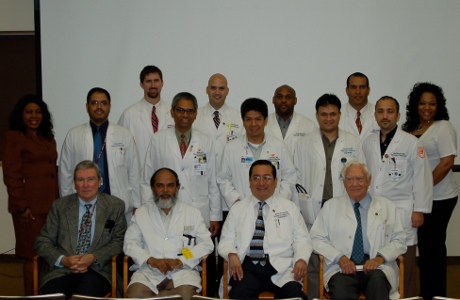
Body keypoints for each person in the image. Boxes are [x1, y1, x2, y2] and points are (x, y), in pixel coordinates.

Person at [293, 94, 364, 299]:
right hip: (313, 207)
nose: (329, 118)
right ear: (316, 115)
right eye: (324, 114)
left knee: (341, 258)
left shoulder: (352, 141)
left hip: (343, 206)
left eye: (333, 114)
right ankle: (315, 296)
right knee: (314, 259)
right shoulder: (304, 142)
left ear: (340, 115)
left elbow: (361, 174)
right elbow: (296, 175)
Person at [362, 96, 433, 297]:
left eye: (390, 111)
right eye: (381, 111)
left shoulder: (411, 143)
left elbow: (423, 178)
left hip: (403, 212)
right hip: (374, 210)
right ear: (375, 114)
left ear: (398, 115)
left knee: (405, 261)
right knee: (378, 260)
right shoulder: (368, 142)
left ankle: (408, 296)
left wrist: (419, 210)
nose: (385, 116)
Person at [310, 161, 406, 300]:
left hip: (376, 266)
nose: (354, 184)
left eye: (360, 179)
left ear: (369, 180)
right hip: (342, 267)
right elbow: (316, 238)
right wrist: (340, 258)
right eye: (349, 179)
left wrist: (380, 258)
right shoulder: (331, 206)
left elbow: (399, 239)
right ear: (344, 182)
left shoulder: (387, 206)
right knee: (342, 293)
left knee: (378, 285)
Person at [218, 160, 311, 300]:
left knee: (294, 295)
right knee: (239, 294)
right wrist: (231, 254)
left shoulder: (290, 207)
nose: (261, 183)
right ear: (249, 182)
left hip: (282, 267)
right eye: (256, 178)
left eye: (267, 178)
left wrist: (301, 259)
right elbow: (226, 240)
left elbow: (302, 239)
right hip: (247, 268)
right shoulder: (237, 209)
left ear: (275, 181)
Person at [35, 160, 127, 299]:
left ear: (100, 181)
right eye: (80, 180)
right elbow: (42, 241)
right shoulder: (60, 206)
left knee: (84, 295)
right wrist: (63, 260)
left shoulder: (115, 206)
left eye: (90, 179)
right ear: (74, 184)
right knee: (51, 295)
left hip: (97, 270)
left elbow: (119, 241)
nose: (85, 185)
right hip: (62, 270)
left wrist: (94, 257)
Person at [402, 82, 458, 300]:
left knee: (433, 250)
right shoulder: (410, 127)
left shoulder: (443, 127)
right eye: (422, 103)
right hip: (418, 199)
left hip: (440, 198)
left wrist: (422, 189)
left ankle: (436, 295)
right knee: (424, 250)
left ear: (439, 106)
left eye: (432, 104)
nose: (427, 107)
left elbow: (446, 163)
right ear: (415, 105)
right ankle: (426, 293)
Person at [124, 168, 214, 300]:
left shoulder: (192, 213)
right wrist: (151, 260)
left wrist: (182, 260)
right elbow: (130, 244)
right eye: (160, 185)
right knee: (135, 294)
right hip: (149, 271)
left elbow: (206, 244)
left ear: (178, 188)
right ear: (152, 188)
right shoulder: (141, 213)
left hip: (182, 271)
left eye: (170, 185)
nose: (165, 190)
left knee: (184, 295)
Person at [140, 92, 221, 236]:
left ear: (196, 114)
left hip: (198, 208)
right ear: (172, 112)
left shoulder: (205, 141)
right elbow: (147, 178)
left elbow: (212, 180)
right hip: (165, 207)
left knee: (197, 251)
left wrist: (215, 215)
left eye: (190, 111)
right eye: (180, 110)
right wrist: (147, 211)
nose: (185, 115)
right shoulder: (158, 140)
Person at [1, 95, 59, 295]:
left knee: (46, 255)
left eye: (38, 112)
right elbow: (12, 176)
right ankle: (31, 296)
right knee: (32, 256)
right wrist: (22, 207)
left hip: (50, 206)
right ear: (21, 115)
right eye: (29, 112)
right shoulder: (14, 137)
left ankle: (43, 293)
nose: (34, 116)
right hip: (29, 209)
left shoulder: (46, 137)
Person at [193, 73, 243, 295]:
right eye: (213, 88)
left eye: (221, 88)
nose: (217, 92)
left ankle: (226, 291)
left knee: (228, 247)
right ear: (206, 90)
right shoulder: (197, 116)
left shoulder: (237, 117)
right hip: (204, 192)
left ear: (227, 90)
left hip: (231, 194)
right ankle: (209, 292)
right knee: (206, 249)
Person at [59, 87, 141, 222]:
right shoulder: (73, 135)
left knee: (117, 242)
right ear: (87, 106)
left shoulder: (124, 134)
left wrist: (137, 204)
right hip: (83, 202)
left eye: (103, 103)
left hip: (117, 202)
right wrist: (67, 203)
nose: (99, 107)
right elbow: (65, 172)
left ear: (110, 106)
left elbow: (134, 172)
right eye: (94, 103)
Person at [217, 98, 297, 211]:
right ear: (243, 121)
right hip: (242, 209)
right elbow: (223, 179)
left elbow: (289, 176)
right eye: (249, 119)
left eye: (258, 119)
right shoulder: (231, 148)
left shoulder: (279, 146)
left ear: (266, 120)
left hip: (274, 208)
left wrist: (280, 200)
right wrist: (236, 201)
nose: (253, 124)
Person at [118, 65, 174, 161]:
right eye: (148, 81)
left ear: (162, 83)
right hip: (140, 173)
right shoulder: (129, 114)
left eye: (156, 80)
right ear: (141, 84)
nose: (153, 85)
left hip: (167, 170)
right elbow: (120, 147)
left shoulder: (173, 112)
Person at [265, 84, 316, 155]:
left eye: (288, 97)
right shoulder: (262, 124)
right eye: (279, 97)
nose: (283, 100)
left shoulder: (309, 126)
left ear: (295, 100)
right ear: (273, 100)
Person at [339, 72, 380, 140]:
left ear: (368, 90)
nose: (358, 92)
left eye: (362, 87)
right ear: (347, 90)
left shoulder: (379, 114)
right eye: (353, 87)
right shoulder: (337, 115)